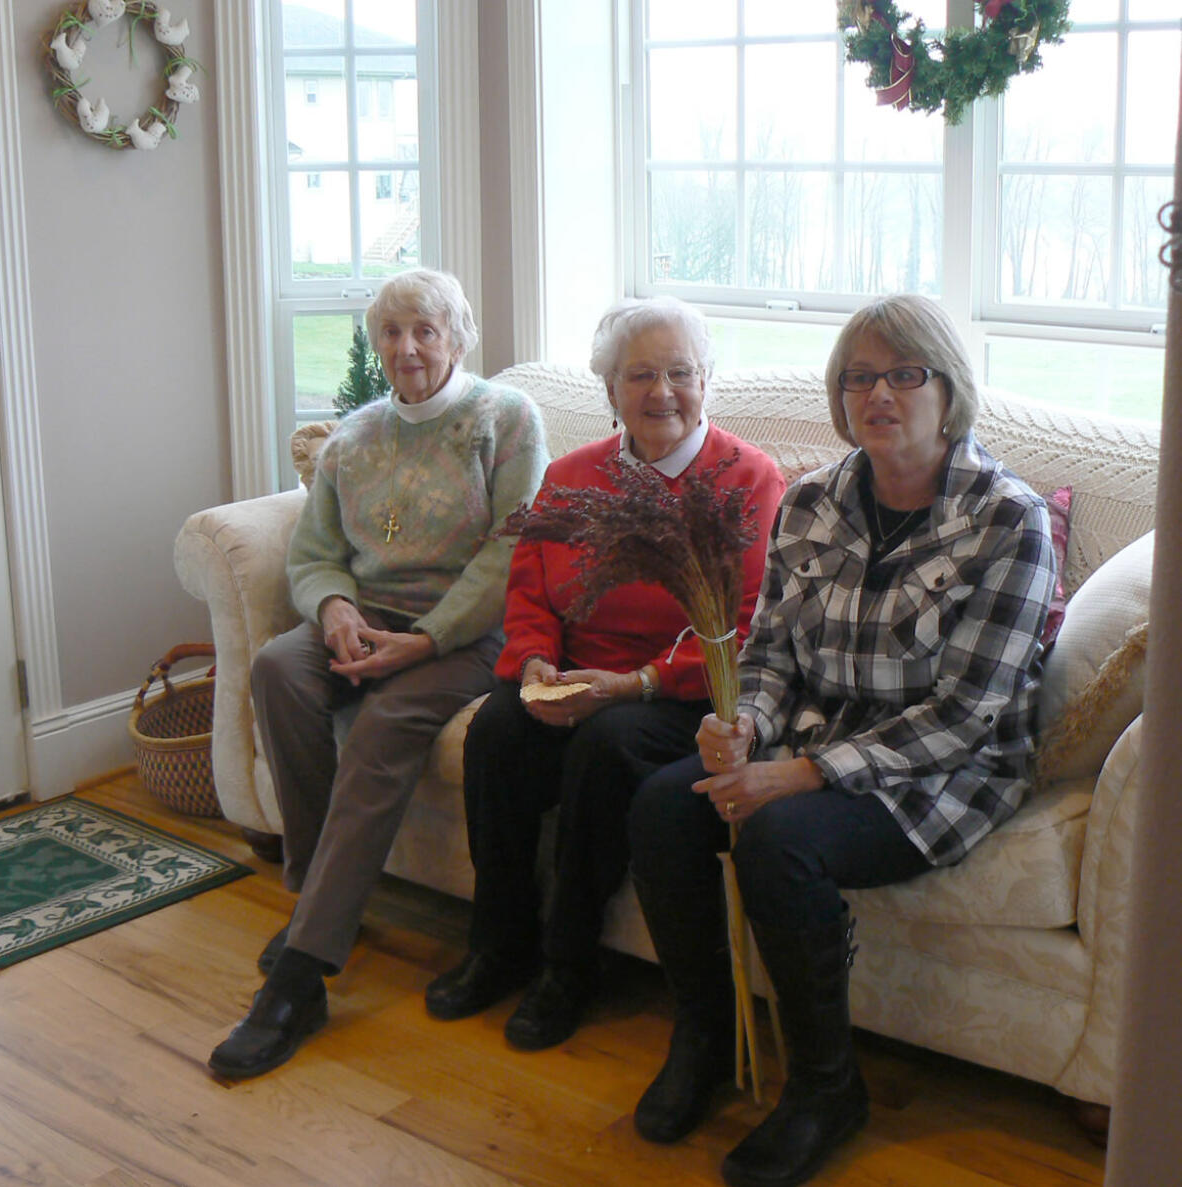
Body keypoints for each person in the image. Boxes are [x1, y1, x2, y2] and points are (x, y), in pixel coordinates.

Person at [627, 294, 1056, 1187]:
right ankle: (704, 1033)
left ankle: (826, 1087)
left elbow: (968, 713)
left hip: (946, 771)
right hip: (822, 731)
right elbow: (774, 651)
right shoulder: (814, 499)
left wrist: (804, 773)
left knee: (781, 842)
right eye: (859, 376)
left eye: (905, 373)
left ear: (949, 388)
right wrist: (746, 724)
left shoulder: (1008, 519)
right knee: (667, 801)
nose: (880, 394)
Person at [208, 269, 548, 1079]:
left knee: (382, 723)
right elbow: (315, 553)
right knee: (278, 670)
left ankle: (302, 975)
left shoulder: (505, 418)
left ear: (458, 337)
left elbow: (513, 548)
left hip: (467, 634)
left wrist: (425, 640)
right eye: (391, 333)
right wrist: (332, 612)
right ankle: (317, 896)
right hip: (365, 619)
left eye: (425, 330)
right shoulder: (352, 439)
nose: (407, 348)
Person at [424, 296, 787, 1051]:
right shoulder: (570, 475)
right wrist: (534, 666)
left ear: (708, 380)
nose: (662, 393)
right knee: (496, 732)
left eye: (680, 373)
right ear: (609, 390)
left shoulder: (746, 478)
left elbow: (745, 623)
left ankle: (570, 964)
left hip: (682, 690)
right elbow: (528, 588)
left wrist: (634, 683)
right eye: (640, 375)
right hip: (570, 676)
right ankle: (498, 942)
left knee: (607, 744)